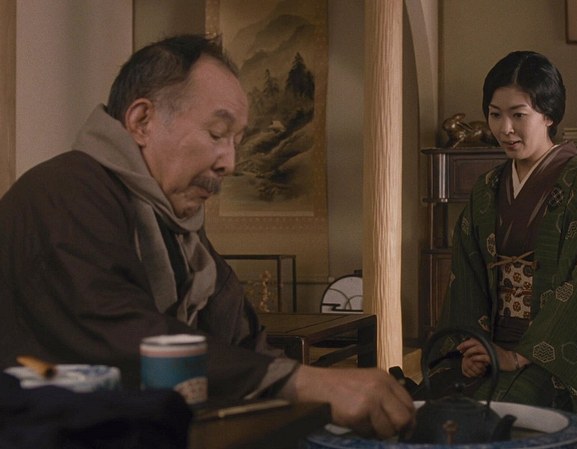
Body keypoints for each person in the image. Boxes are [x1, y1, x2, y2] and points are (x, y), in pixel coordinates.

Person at [0, 34, 413, 439]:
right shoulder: (62, 193)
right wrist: (301, 383)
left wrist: (329, 386)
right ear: (141, 121)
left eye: (237, 141)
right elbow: (117, 334)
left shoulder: (175, 221)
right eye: (217, 133)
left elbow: (241, 340)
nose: (229, 163)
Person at [431, 51, 577, 412]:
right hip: (490, 344)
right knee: (424, 404)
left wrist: (520, 355)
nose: (505, 128)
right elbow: (466, 278)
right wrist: (472, 349)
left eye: (518, 115)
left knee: (491, 412)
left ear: (549, 115)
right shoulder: (487, 189)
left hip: (554, 354)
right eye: (495, 114)